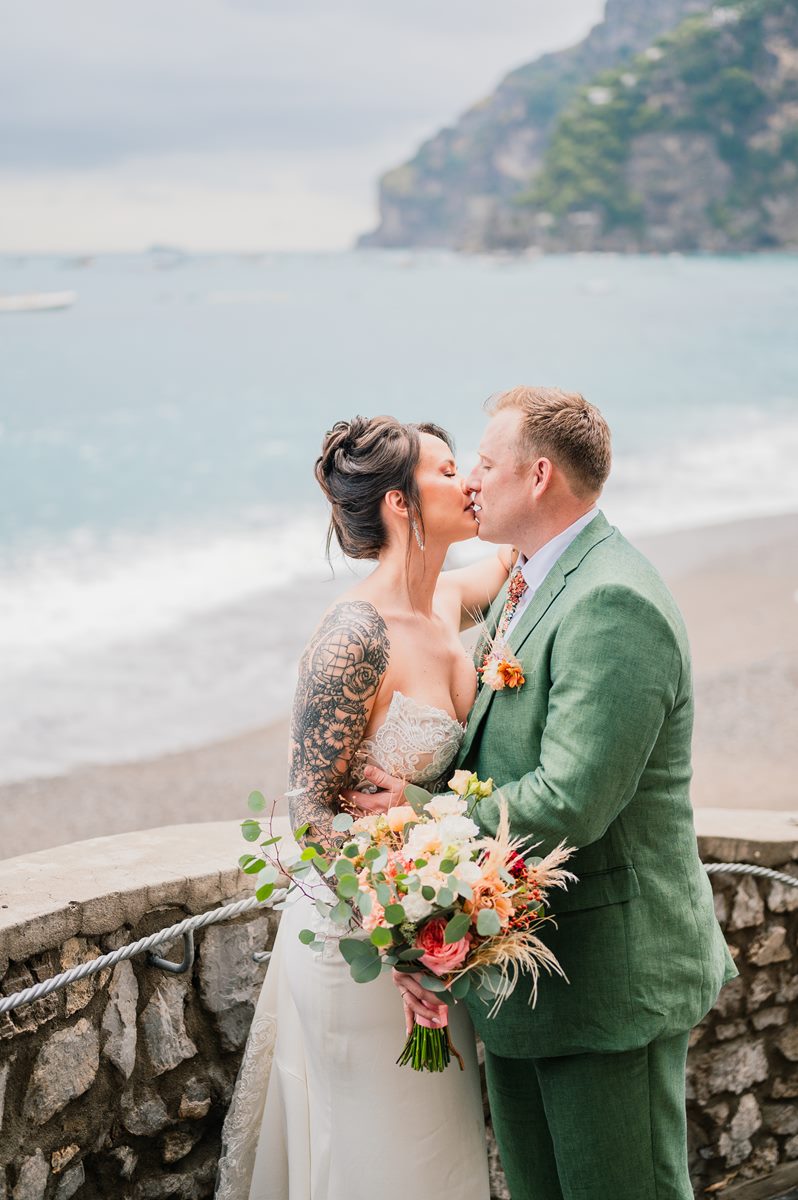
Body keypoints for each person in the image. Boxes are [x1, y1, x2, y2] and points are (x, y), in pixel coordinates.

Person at [353, 387, 738, 1200]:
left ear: (536, 478)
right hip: (530, 984)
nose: (471, 484)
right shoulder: (532, 578)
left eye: (484, 465)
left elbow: (571, 800)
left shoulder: (611, 601)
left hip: (606, 981)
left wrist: (416, 814)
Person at [216, 415, 514, 1200]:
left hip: (430, 949)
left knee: (436, 1158)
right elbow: (310, 812)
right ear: (398, 503)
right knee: (371, 1164)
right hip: (358, 951)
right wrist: (396, 950)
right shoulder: (354, 634)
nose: (469, 483)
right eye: (448, 472)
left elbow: (528, 548)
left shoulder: (447, 602)